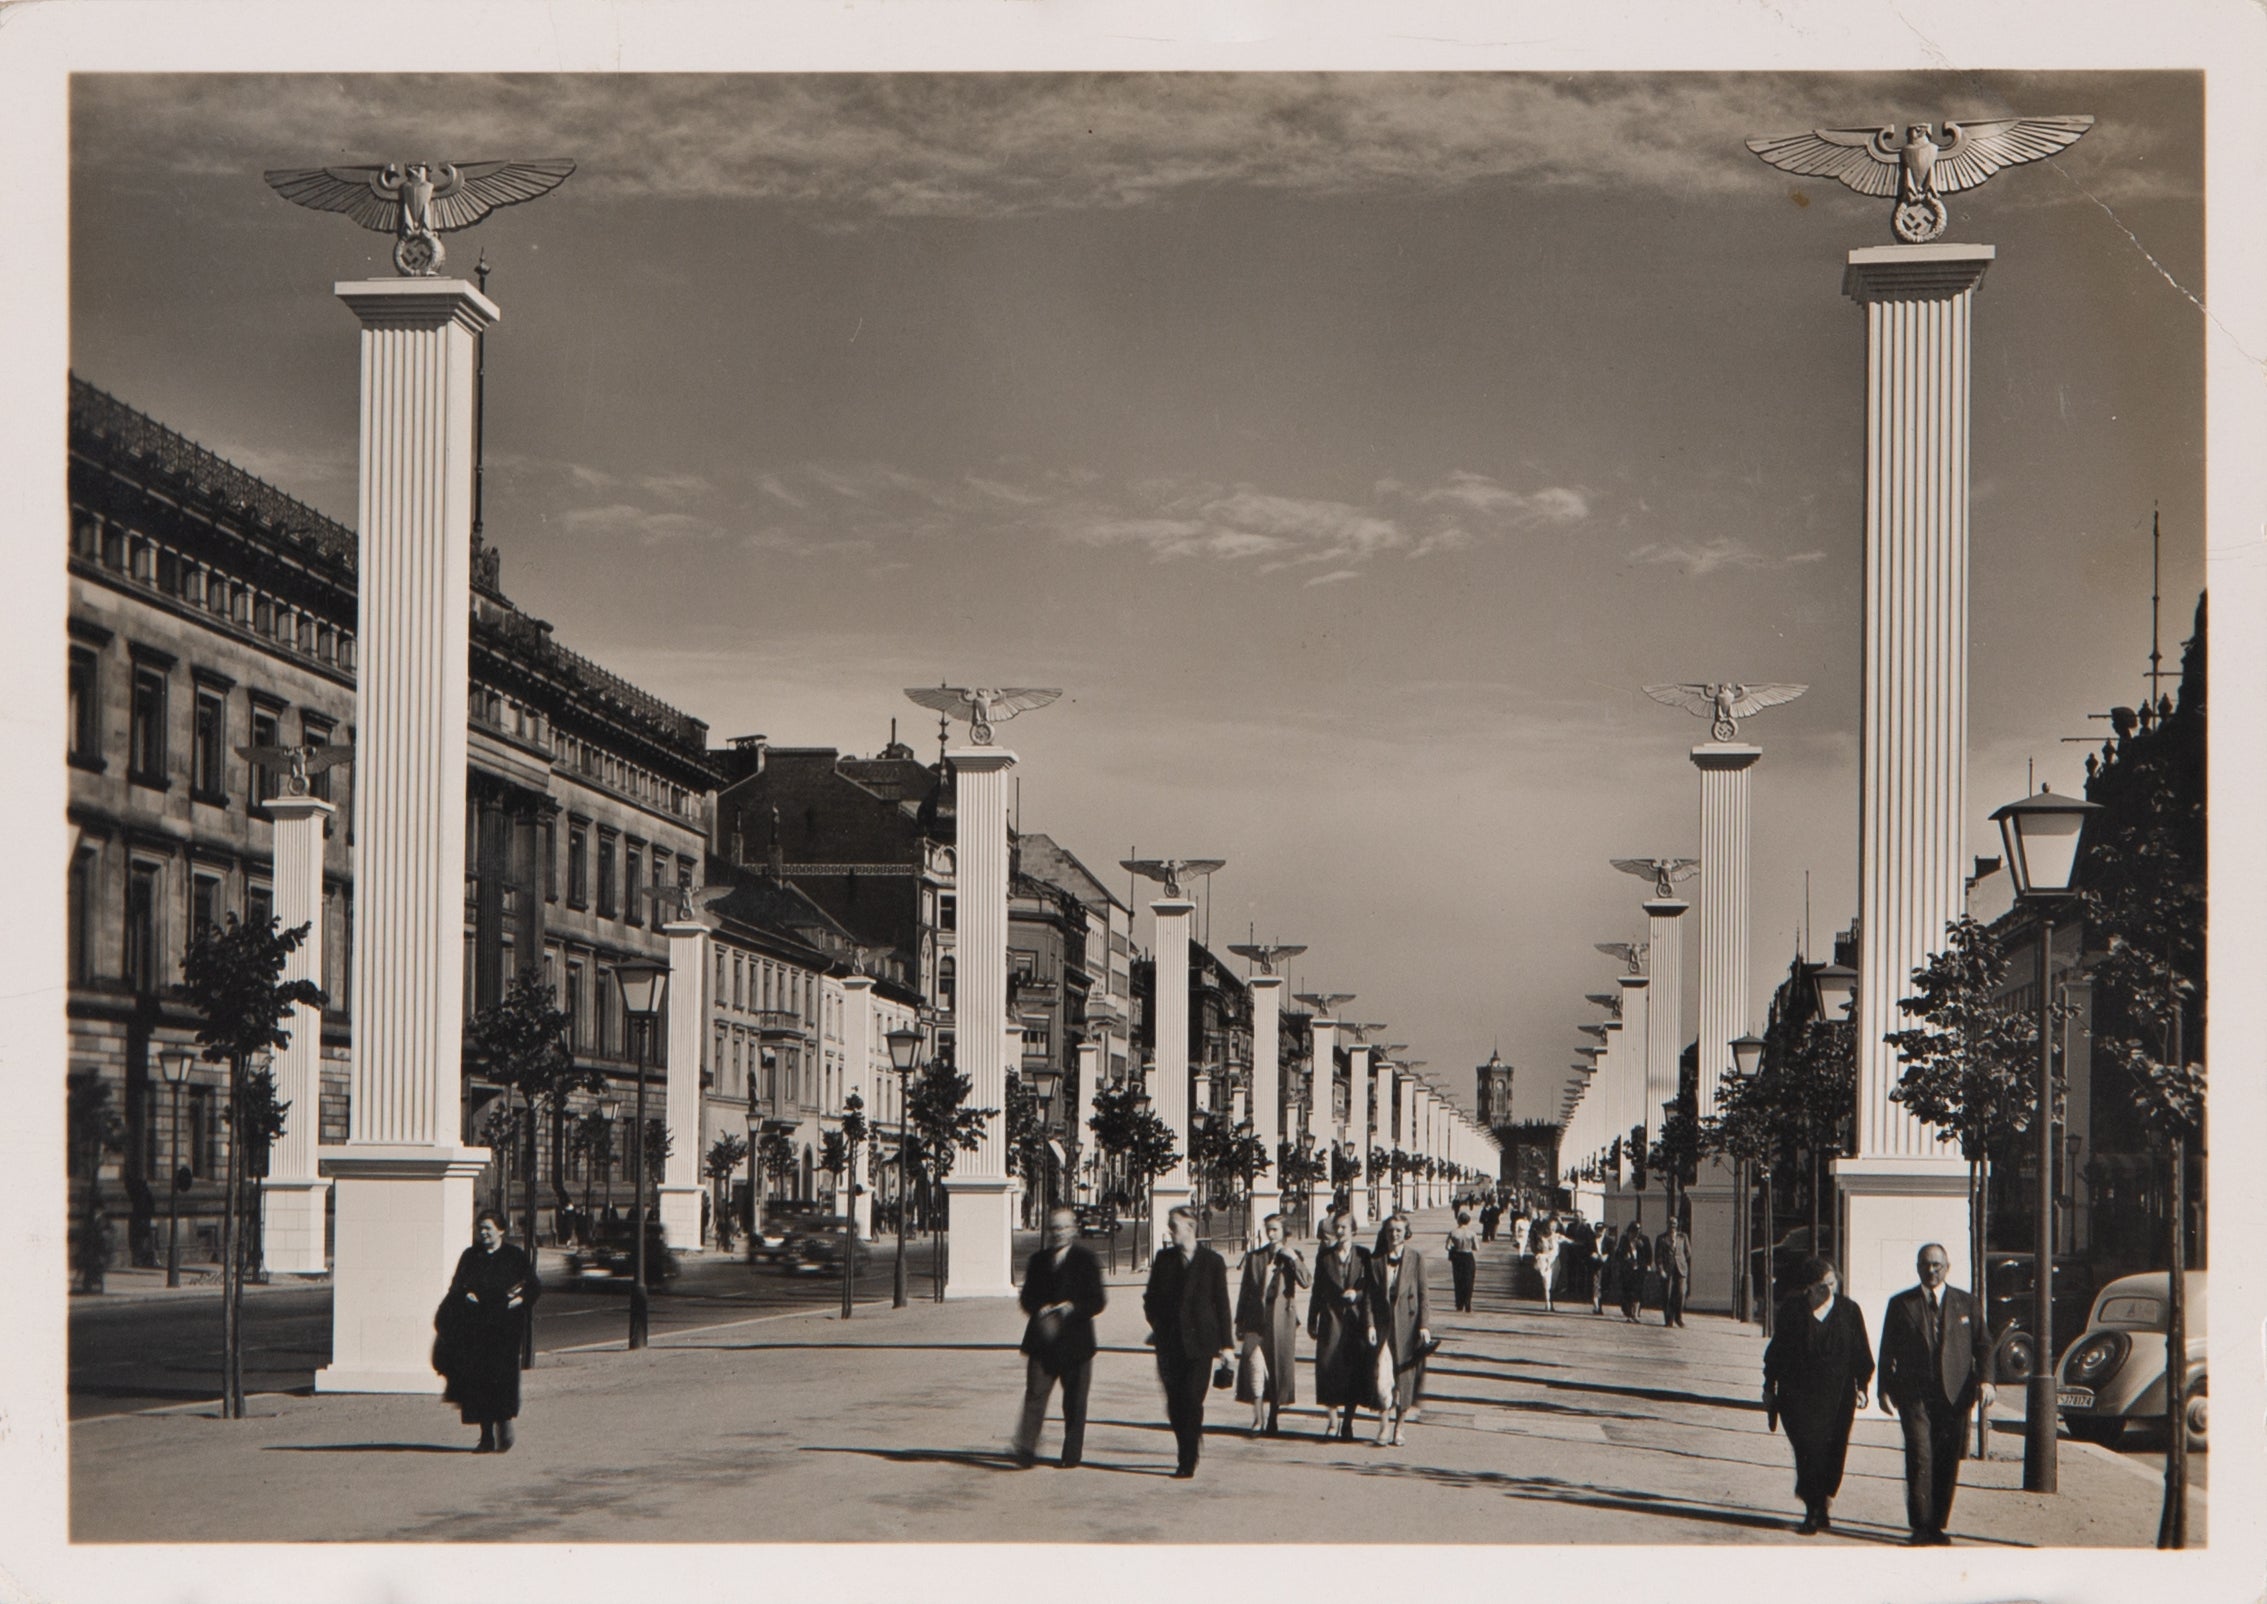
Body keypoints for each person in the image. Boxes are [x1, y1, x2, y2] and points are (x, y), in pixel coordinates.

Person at [1877, 1242, 1994, 1546]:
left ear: (1947, 1267)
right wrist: (1883, 1390)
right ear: (1917, 1267)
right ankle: (1920, 1525)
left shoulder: (1967, 1303)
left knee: (1946, 1460)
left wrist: (1986, 1382)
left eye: (1936, 1265)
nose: (1931, 1270)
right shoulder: (1901, 1304)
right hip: (1914, 1395)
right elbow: (1886, 1349)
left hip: (1955, 1397)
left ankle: (1938, 1524)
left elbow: (1983, 1346)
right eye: (1925, 1265)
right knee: (1919, 1456)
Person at [1762, 1254, 1873, 1534]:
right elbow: (1777, 1352)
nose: (1829, 1290)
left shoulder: (1849, 1311)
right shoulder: (1792, 1310)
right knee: (1808, 1450)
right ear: (1808, 1287)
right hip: (1797, 1396)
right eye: (1822, 1285)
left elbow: (1862, 1352)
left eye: (1832, 1283)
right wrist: (1768, 1386)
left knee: (1834, 1453)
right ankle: (1813, 1510)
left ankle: (1822, 1501)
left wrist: (1863, 1386)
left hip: (1838, 1397)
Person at [432, 1208, 541, 1453]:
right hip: (476, 1329)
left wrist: (521, 1300)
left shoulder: (514, 1256)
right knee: (478, 1383)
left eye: (488, 1229)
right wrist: (465, 1295)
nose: (483, 1233)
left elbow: (533, 1285)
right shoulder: (471, 1256)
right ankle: (485, 1437)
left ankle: (504, 1424)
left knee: (501, 1381)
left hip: (504, 1330)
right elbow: (456, 1286)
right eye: (480, 1228)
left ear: (501, 1230)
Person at [1143, 1203, 1234, 1478]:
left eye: (1174, 1226)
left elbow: (1222, 1304)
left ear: (1191, 1227)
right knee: (1175, 1404)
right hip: (1169, 1344)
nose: (1170, 1231)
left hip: (1201, 1344)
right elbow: (1150, 1299)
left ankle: (1187, 1458)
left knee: (1192, 1400)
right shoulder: (1164, 1259)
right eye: (1170, 1226)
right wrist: (1158, 1325)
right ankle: (1190, 1439)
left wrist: (1227, 1346)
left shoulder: (1212, 1262)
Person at [1013, 1205, 1107, 1468]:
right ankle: (1026, 1450)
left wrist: (1073, 1308)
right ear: (1048, 1230)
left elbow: (1098, 1301)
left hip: (1076, 1343)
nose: (1059, 1233)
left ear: (1074, 1230)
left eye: (1065, 1227)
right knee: (1035, 1395)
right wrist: (1038, 1307)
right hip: (1043, 1341)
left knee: (1075, 1401)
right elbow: (1026, 1298)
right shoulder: (1038, 1261)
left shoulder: (1086, 1260)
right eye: (1055, 1228)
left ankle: (1071, 1454)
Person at [1235, 1212, 1311, 1434]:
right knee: (1255, 1365)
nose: (1270, 1233)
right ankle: (1258, 1418)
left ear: (1284, 1232)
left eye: (1275, 1229)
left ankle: (1274, 1417)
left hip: (1280, 1320)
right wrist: (1239, 1321)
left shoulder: (1292, 1257)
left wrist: (1293, 1259)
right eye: (1268, 1229)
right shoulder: (1255, 1257)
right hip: (1255, 1319)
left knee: (1277, 1367)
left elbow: (1306, 1281)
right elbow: (1245, 1291)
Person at [1364, 1214, 1432, 1446]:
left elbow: (1423, 1295)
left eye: (1399, 1230)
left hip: (1408, 1326)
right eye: (1391, 1230)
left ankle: (1399, 1427)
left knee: (1405, 1378)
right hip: (1383, 1327)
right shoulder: (1375, 1261)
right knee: (1382, 1377)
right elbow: (1369, 1298)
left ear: (1406, 1233)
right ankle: (1383, 1427)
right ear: (1385, 1233)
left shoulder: (1415, 1258)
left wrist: (1424, 1325)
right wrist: (1370, 1324)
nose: (1394, 1234)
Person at [1307, 1208, 1373, 1442]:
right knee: (1327, 1368)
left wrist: (1357, 1293)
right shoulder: (1325, 1257)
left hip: (1355, 1321)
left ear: (1353, 1230)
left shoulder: (1364, 1256)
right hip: (1331, 1318)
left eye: (1344, 1227)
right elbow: (1317, 1290)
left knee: (1353, 1372)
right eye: (1337, 1227)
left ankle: (1348, 1423)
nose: (1340, 1231)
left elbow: (1370, 1286)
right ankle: (1332, 1421)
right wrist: (1312, 1318)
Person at [1656, 1218, 1693, 1328]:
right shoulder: (1661, 1238)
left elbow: (1688, 1253)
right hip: (1667, 1269)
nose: (1673, 1227)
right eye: (1671, 1224)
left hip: (1680, 1269)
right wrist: (1661, 1269)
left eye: (1675, 1224)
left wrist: (1682, 1263)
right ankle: (1668, 1319)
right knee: (1667, 1294)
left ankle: (1679, 1317)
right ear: (1667, 1225)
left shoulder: (1683, 1237)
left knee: (1680, 1293)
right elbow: (1658, 1257)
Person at [1444, 1209, 1479, 1313]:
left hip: (1457, 1257)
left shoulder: (1453, 1232)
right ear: (1468, 1221)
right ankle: (1468, 1303)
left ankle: (1459, 1303)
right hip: (1468, 1256)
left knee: (1458, 1280)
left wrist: (1454, 1247)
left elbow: (1447, 1247)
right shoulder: (1472, 1233)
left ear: (1458, 1221)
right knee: (1469, 1280)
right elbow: (1476, 1247)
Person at [1617, 1222, 1651, 1323]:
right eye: (1633, 1232)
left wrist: (1647, 1264)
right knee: (1627, 1292)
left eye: (1637, 1232)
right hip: (1627, 1270)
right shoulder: (1624, 1240)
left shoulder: (1644, 1240)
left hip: (1640, 1269)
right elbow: (1618, 1253)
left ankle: (1635, 1314)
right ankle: (1628, 1313)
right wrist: (1624, 1257)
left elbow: (1649, 1254)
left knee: (1638, 1291)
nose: (1635, 1235)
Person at [1531, 1214, 1561, 1313]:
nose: (1552, 1228)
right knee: (1546, 1283)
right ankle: (1547, 1303)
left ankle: (1551, 1303)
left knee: (1553, 1283)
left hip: (1555, 1262)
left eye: (1554, 1226)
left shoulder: (1557, 1236)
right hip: (1545, 1262)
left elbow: (1569, 1241)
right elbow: (1537, 1249)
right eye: (1551, 1226)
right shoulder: (1542, 1237)